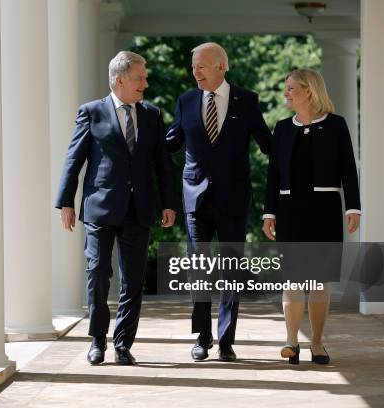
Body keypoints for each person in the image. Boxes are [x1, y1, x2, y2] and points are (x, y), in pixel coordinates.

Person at [55, 51, 177, 365]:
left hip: (139, 209)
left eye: (145, 78)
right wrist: (66, 202)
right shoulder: (91, 112)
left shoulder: (151, 114)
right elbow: (74, 159)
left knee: (133, 279)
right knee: (97, 271)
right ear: (119, 80)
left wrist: (169, 203)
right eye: (140, 78)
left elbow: (162, 163)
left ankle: (123, 344)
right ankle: (97, 340)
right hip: (99, 207)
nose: (145, 84)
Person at [166, 42, 271, 362]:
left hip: (234, 197)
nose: (195, 71)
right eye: (193, 66)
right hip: (195, 196)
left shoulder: (248, 100)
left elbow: (268, 144)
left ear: (221, 66)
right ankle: (201, 337)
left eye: (201, 65)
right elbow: (171, 141)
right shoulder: (185, 101)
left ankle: (226, 339)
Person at [262, 68, 361, 365]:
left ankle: (317, 343)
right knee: (291, 280)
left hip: (325, 212)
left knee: (318, 283)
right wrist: (269, 213)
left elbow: (348, 169)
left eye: (291, 88)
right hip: (290, 212)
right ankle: (292, 342)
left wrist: (353, 207)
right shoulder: (282, 128)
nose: (286, 93)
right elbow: (274, 174)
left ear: (309, 91)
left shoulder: (336, 125)